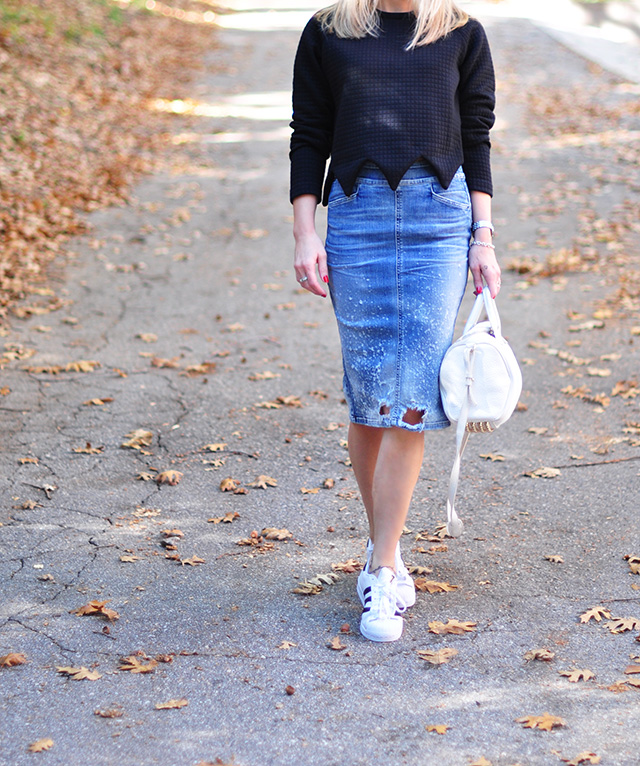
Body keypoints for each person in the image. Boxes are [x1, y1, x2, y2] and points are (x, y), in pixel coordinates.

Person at [289, 0, 501, 642]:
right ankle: (388, 545)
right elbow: (309, 133)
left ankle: (382, 569)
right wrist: (306, 233)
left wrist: (483, 236)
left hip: (441, 220)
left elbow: (477, 135)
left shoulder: (462, 32)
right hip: (355, 221)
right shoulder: (328, 31)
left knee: (413, 393)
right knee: (368, 397)